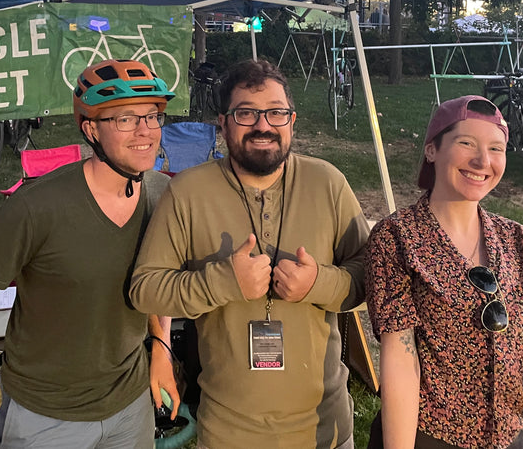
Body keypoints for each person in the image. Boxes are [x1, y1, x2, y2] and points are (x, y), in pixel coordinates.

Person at [0, 58, 180, 449]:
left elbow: (157, 281)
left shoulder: (161, 194)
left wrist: (161, 348)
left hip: (129, 404)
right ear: (91, 129)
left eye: (152, 115)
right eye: (126, 119)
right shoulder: (36, 207)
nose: (145, 131)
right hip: (45, 415)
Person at [130, 58, 369, 449]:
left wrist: (317, 283)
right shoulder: (188, 192)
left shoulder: (328, 183)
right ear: (222, 123)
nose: (263, 126)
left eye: (276, 113)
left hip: (324, 428)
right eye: (247, 113)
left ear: (292, 121)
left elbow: (370, 277)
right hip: (229, 430)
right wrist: (224, 282)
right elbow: (146, 289)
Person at [365, 95, 523, 449]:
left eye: (495, 148)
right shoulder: (397, 238)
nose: (482, 160)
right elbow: (401, 358)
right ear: (432, 150)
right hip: (428, 436)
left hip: (509, 438)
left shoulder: (521, 243)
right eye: (466, 143)